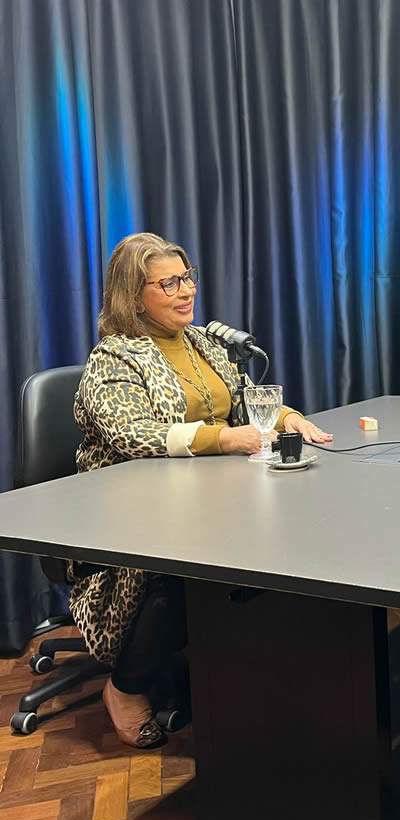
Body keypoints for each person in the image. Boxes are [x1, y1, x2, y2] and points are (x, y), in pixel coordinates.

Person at [71, 232, 333, 748]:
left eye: (186, 278)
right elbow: (136, 435)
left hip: (207, 499)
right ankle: (124, 689)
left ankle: (259, 674)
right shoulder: (114, 359)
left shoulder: (201, 343)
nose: (185, 291)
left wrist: (288, 417)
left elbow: (244, 400)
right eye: (168, 283)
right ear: (133, 294)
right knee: (181, 571)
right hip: (130, 514)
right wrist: (223, 438)